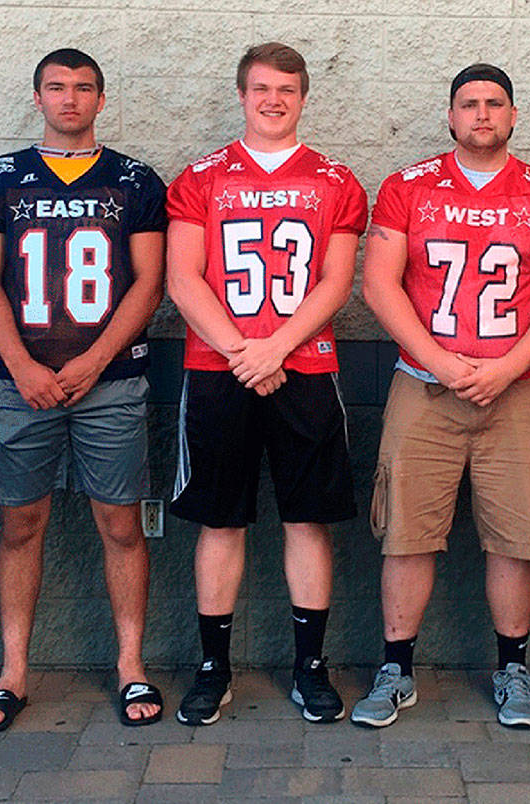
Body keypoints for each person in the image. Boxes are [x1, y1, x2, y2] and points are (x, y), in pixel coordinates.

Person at [354, 63, 530, 729]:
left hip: (517, 390)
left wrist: (505, 367)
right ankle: (395, 667)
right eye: (469, 104)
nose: (482, 114)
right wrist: (439, 361)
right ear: (450, 117)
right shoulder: (407, 188)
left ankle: (513, 667)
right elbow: (380, 284)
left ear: (514, 116)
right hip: (424, 387)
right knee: (405, 533)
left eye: (494, 103)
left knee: (517, 537)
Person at [0, 48, 167, 731]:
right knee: (21, 523)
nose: (70, 98)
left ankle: (130, 665)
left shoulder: (134, 180)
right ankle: (13, 671)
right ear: (38, 96)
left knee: (121, 523)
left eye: (83, 88)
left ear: (102, 100)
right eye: (57, 87)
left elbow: (148, 281)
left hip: (110, 378)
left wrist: (97, 358)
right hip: (21, 381)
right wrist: (20, 364)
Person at [165, 42, 366, 725]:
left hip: (304, 367)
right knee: (220, 520)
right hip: (218, 369)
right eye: (260, 88)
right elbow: (182, 277)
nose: (272, 99)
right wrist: (240, 350)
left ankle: (310, 665)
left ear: (304, 97)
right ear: (242, 95)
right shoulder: (201, 177)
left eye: (285, 88)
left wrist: (276, 345)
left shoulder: (336, 180)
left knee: (307, 518)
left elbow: (337, 281)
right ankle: (212, 667)